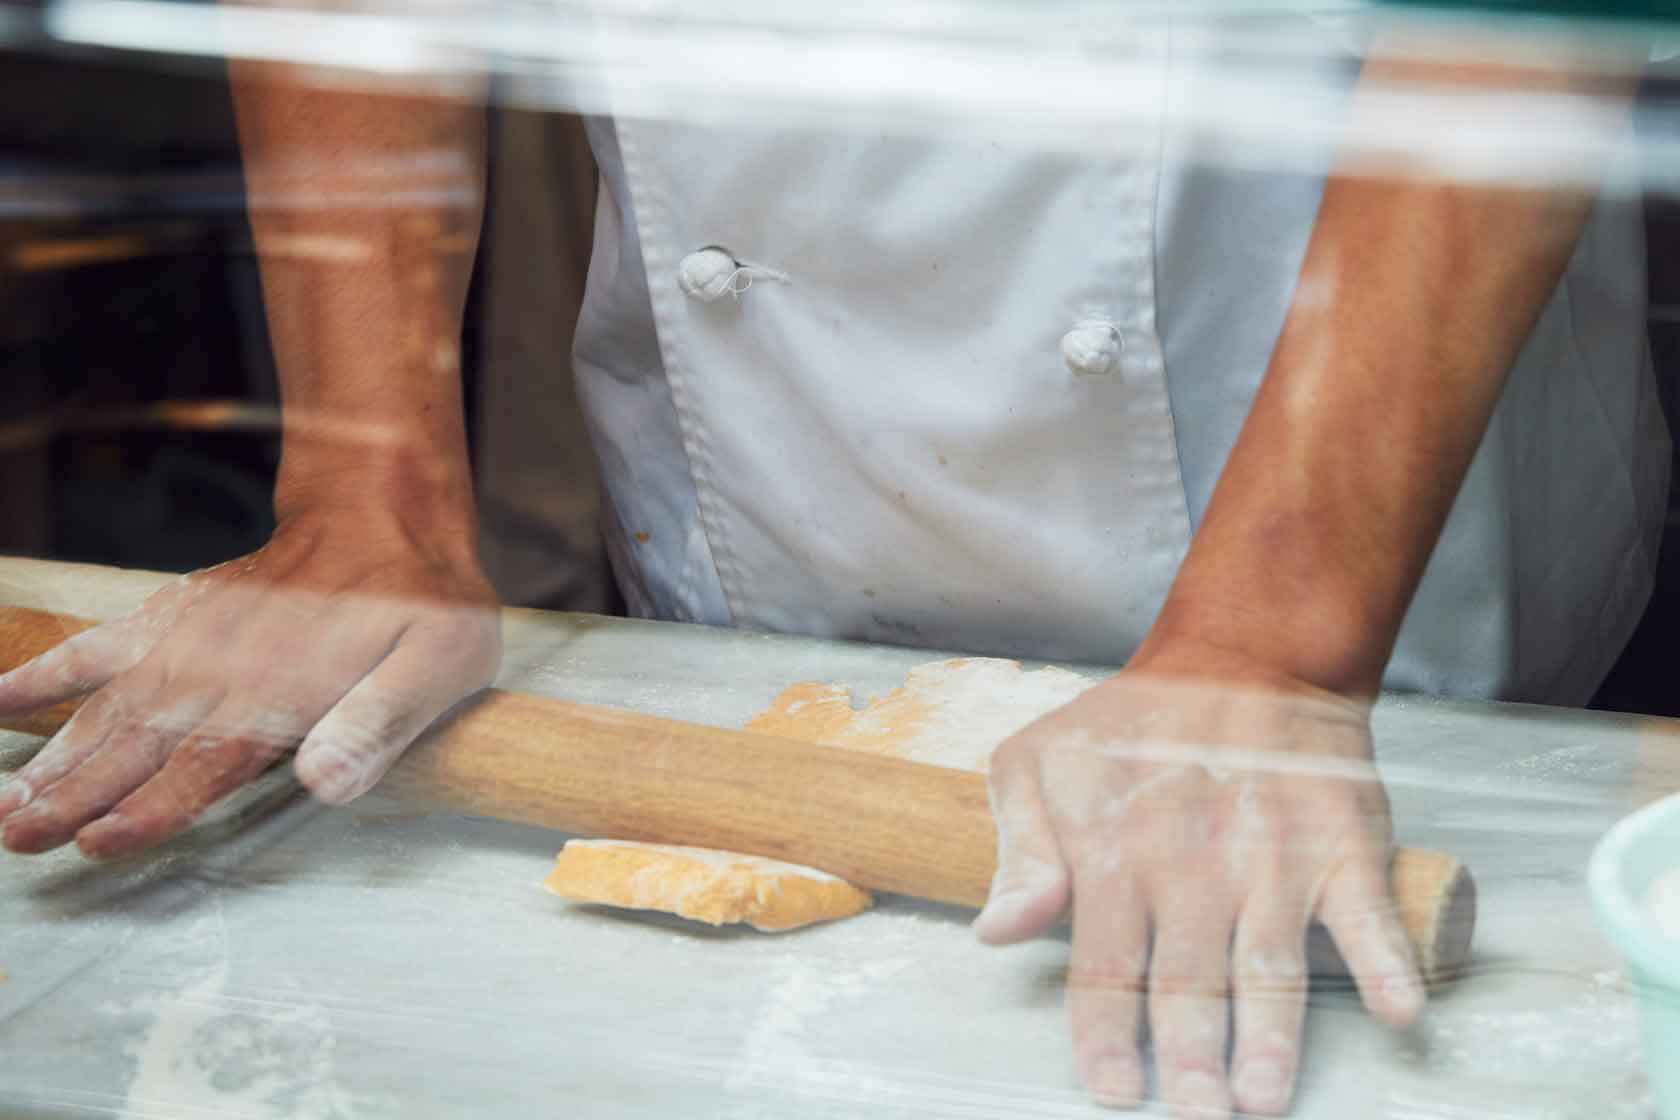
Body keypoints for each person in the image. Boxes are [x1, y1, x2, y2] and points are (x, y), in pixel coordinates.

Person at [0, 12, 1664, 1118]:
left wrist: (1275, 642)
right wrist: (367, 486)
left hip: (1335, 460)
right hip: (770, 511)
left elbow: (1519, 22)